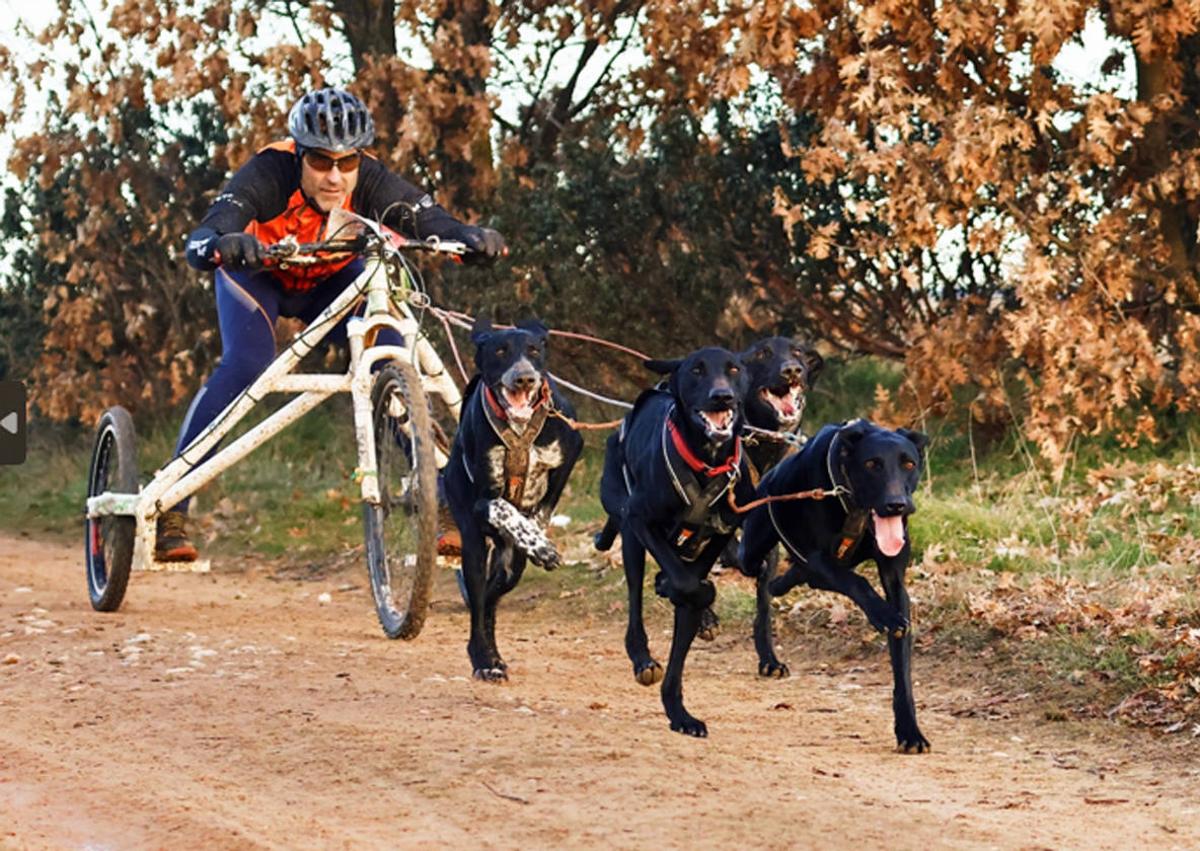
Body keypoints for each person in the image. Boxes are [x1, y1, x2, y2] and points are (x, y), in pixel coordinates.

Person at [156, 87, 505, 561]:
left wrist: (469, 238)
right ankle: (172, 505)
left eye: (347, 162)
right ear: (299, 155)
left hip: (331, 280)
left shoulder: (371, 180)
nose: (335, 177)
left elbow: (429, 220)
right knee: (248, 365)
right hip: (260, 277)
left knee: (394, 353)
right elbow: (209, 231)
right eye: (320, 162)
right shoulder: (269, 173)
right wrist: (224, 242)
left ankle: (443, 499)